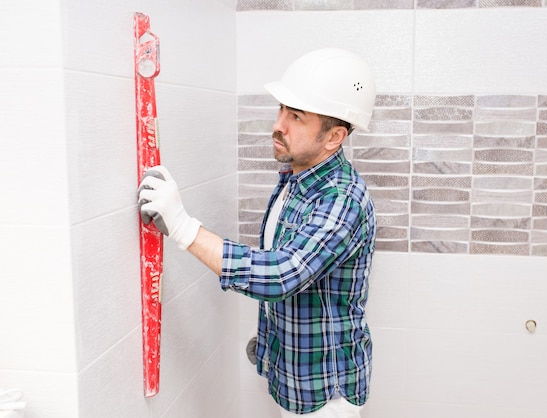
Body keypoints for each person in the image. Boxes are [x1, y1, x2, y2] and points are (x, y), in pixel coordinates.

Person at [138, 48, 377, 417]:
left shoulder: (342, 199)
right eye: (281, 109)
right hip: (294, 375)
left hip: (324, 393)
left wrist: (183, 226)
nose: (278, 124)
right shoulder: (297, 175)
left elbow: (281, 274)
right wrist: (269, 346)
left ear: (334, 137)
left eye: (296, 116)